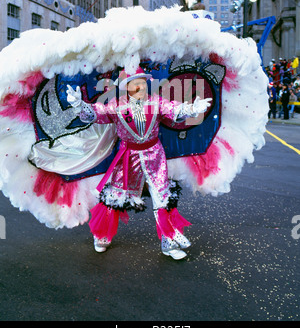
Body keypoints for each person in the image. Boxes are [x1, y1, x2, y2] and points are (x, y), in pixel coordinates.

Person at [66, 66, 212, 260]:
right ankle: (102, 235)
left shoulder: (156, 102)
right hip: (128, 157)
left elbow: (174, 109)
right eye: (136, 83)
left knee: (163, 197)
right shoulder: (117, 106)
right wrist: (79, 105)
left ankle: (169, 241)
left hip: (155, 156)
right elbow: (95, 113)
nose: (141, 87)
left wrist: (192, 108)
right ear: (127, 87)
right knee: (115, 196)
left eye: (143, 83)